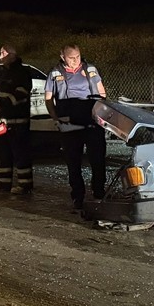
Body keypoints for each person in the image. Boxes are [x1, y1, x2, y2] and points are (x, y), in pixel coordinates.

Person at [44, 44, 109, 211]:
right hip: (69, 123)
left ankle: (99, 191)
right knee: (73, 161)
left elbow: (102, 92)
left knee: (98, 158)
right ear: (62, 57)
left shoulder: (90, 69)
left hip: (91, 120)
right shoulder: (55, 73)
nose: (75, 60)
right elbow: (48, 98)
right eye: (71, 58)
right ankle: (78, 196)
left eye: (78, 57)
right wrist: (55, 118)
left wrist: (102, 113)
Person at [0, 44, 33, 194]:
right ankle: (3, 183)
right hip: (2, 122)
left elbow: (21, 94)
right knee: (2, 154)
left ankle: (24, 185)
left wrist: (3, 103)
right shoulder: (1, 73)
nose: (0, 56)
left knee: (20, 154)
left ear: (12, 55)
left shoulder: (22, 72)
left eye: (3, 53)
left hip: (17, 122)